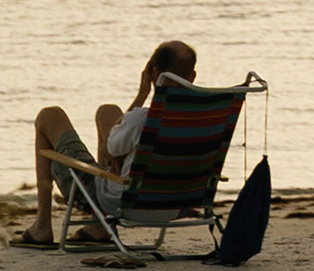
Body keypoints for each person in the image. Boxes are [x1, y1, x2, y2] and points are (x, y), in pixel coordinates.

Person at [19, 39, 200, 247]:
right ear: (192, 77)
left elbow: (107, 151)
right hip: (176, 204)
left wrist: (142, 94)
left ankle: (42, 226)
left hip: (122, 203)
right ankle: (97, 227)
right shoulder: (204, 119)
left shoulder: (143, 119)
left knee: (49, 116)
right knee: (108, 111)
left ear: (154, 73)